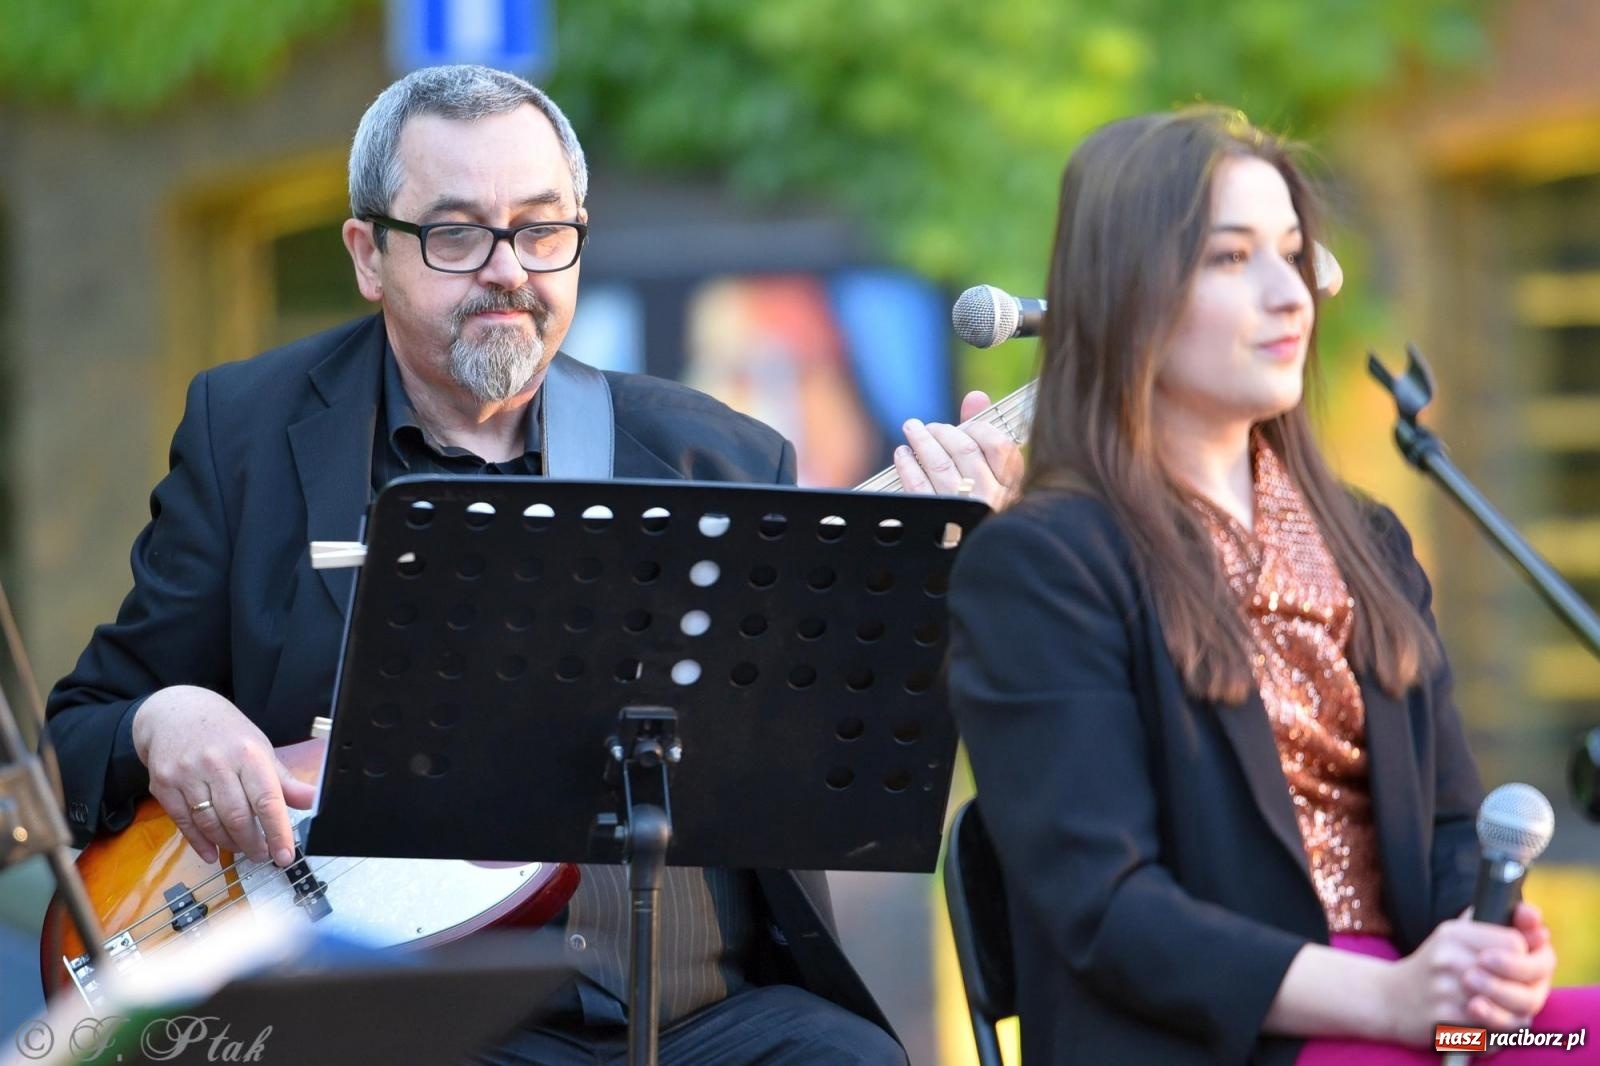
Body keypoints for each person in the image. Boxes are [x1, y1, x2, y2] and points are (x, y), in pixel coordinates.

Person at [44, 64, 1018, 1065]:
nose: (510, 268)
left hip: (704, 1016)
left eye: (542, 229)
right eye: (457, 232)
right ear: (369, 255)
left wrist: (954, 567)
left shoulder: (715, 456)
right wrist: (162, 719)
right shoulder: (247, 434)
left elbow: (822, 751)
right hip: (407, 1022)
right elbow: (74, 735)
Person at [945, 107, 1599, 1065]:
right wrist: (1389, 999)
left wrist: (1484, 951)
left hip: (1432, 1027)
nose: (1288, 295)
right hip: (1243, 1037)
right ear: (1123, 294)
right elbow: (1109, 909)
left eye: (1292, 255)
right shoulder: (1041, 565)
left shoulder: (1365, 537)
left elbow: (1454, 820)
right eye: (1230, 259)